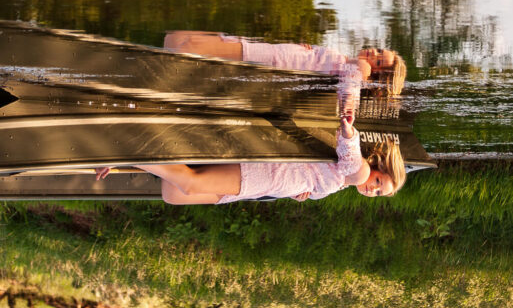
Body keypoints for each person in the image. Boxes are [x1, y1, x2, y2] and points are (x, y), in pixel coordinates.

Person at [96, 114, 406, 205]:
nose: (372, 189)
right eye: (379, 183)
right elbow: (350, 154)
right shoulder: (360, 171)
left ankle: (139, 154)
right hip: (269, 175)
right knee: (189, 186)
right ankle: (126, 150)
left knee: (174, 194)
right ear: (377, 167)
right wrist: (348, 129)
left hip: (270, 185)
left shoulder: (345, 184)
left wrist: (305, 195)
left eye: (379, 192)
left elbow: (317, 185)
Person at [163, 31, 406, 98]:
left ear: (376, 73)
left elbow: (351, 85)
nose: (374, 52)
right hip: (269, 53)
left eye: (379, 60)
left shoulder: (358, 70)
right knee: (178, 39)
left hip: (268, 60)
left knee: (191, 44)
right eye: (380, 51)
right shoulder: (343, 59)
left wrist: (348, 113)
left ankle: (159, 72)